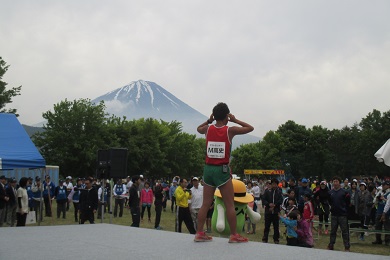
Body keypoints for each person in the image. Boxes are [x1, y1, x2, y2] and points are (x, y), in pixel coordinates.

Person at [194, 102, 254, 243]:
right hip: (222, 170)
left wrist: (209, 120)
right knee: (229, 205)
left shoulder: (207, 129)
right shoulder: (230, 130)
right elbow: (250, 128)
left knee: (205, 204)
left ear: (214, 116)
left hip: (208, 170)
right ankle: (234, 235)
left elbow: (198, 128)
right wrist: (235, 120)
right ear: (227, 116)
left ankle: (199, 233)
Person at [327, 176, 350, 251]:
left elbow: (347, 203)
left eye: (337, 181)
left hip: (342, 215)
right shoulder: (330, 192)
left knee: (345, 231)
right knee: (333, 231)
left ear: (340, 183)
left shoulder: (344, 192)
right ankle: (331, 244)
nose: (335, 183)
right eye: (334, 181)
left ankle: (347, 246)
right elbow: (330, 202)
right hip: (334, 214)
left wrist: (344, 210)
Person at [262, 178, 283, 244]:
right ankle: (265, 238)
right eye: (273, 184)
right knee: (267, 226)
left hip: (276, 211)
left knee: (276, 226)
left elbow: (280, 200)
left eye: (275, 184)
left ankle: (276, 239)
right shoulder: (267, 191)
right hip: (268, 211)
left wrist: (275, 205)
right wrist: (268, 205)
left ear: (277, 184)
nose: (274, 185)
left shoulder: (279, 192)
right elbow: (264, 199)